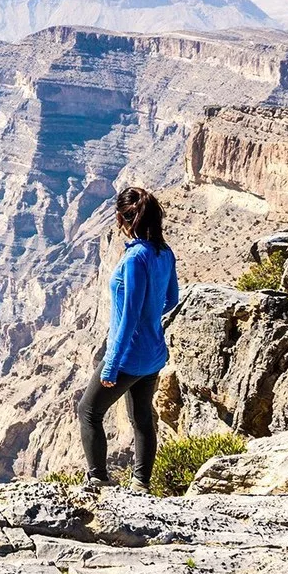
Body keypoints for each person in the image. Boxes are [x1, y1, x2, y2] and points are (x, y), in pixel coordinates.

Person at [76, 186, 180, 490]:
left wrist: (111, 366)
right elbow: (171, 299)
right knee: (142, 417)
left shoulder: (135, 259)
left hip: (129, 356)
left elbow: (129, 319)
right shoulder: (164, 252)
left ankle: (99, 480)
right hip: (154, 355)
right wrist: (151, 316)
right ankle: (140, 484)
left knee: (88, 411)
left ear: (124, 218)